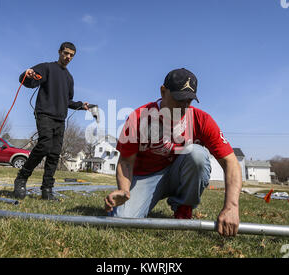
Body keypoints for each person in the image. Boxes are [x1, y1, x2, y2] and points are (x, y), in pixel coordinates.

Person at [104, 68, 242, 236]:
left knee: (197, 154)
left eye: (189, 101)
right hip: (147, 177)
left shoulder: (202, 120)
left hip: (178, 174)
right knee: (121, 221)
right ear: (163, 91)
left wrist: (231, 207)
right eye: (179, 99)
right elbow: (125, 161)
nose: (184, 107)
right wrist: (124, 190)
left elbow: (231, 162)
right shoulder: (139, 118)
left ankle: (183, 208)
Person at [13, 42, 89, 201]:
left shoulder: (69, 78)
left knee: (54, 154)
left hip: (60, 119)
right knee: (44, 145)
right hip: (44, 113)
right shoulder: (47, 68)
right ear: (60, 52)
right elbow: (29, 81)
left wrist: (81, 105)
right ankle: (21, 178)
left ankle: (47, 189)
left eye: (71, 55)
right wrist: (26, 74)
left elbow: (68, 101)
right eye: (66, 53)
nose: (68, 57)